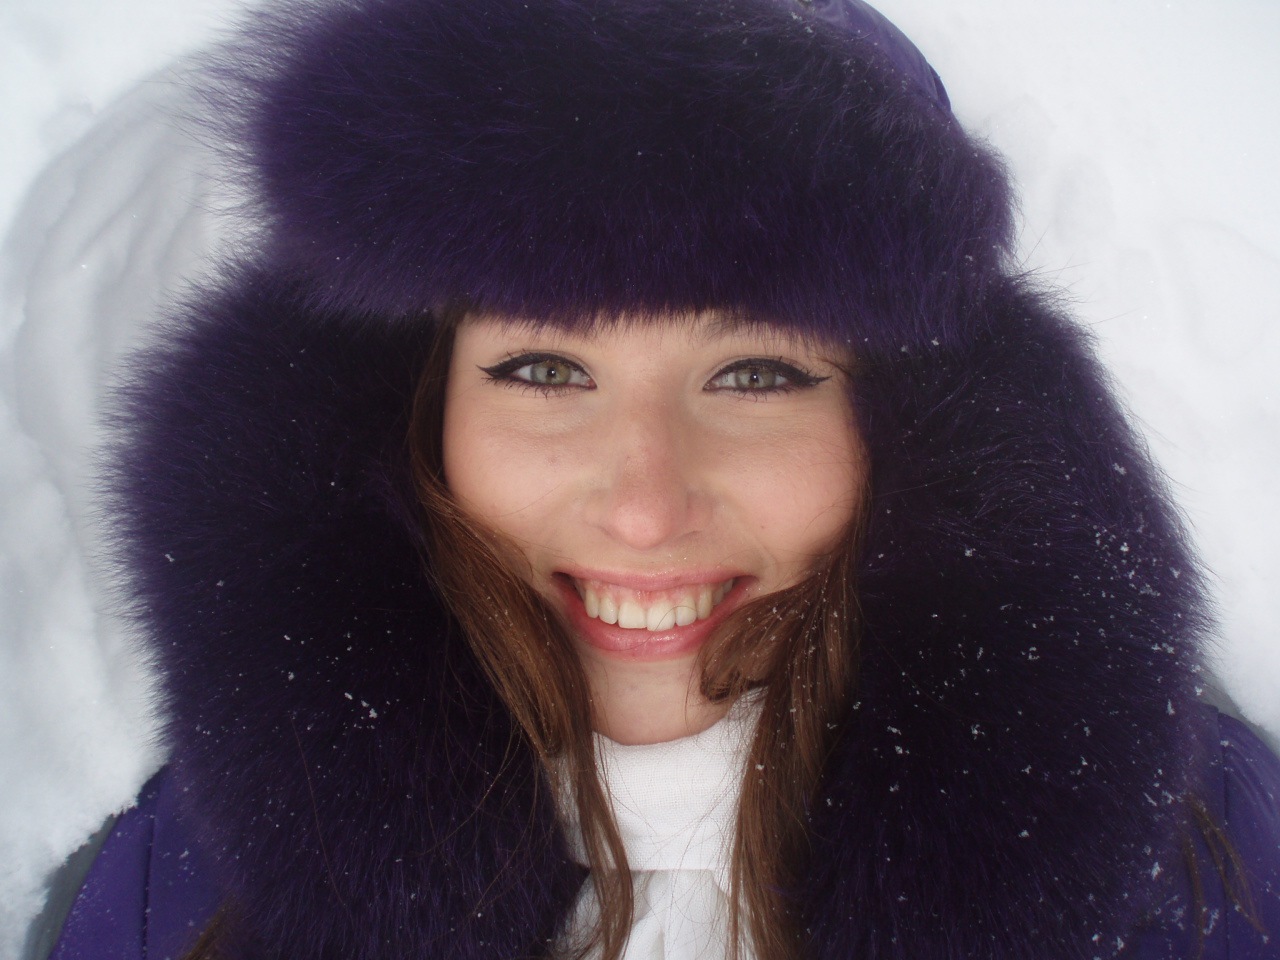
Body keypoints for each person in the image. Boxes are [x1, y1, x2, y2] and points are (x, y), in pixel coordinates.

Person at [40, 0, 1280, 957]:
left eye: (756, 373)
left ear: (911, 426)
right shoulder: (201, 875)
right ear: (414, 410)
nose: (643, 507)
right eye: (542, 368)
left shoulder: (1195, 858)